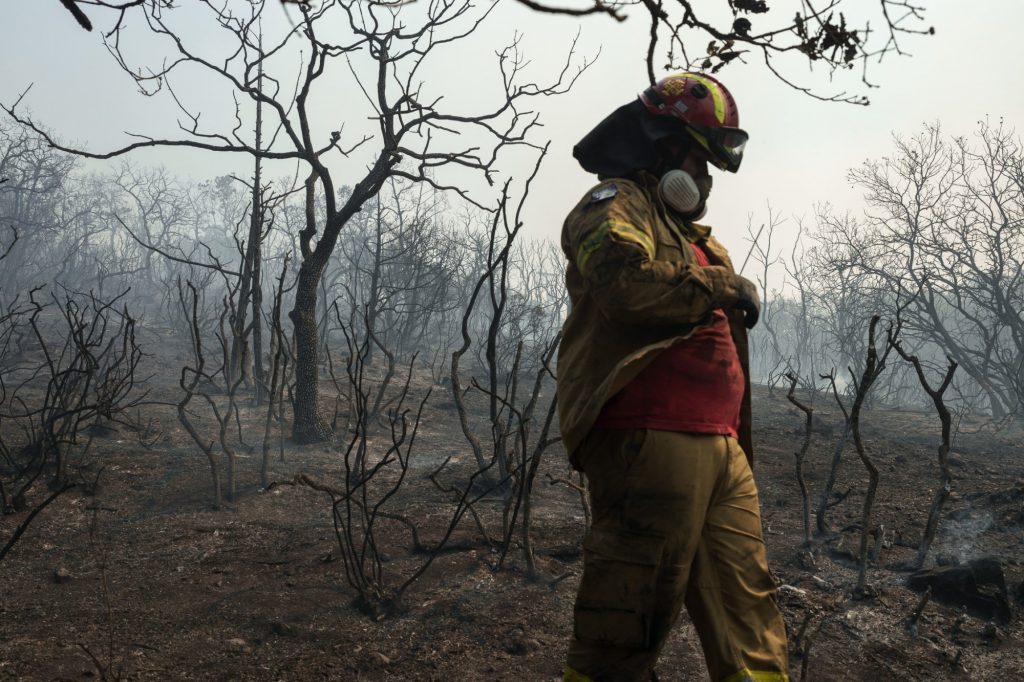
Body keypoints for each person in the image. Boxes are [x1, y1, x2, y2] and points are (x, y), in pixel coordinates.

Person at [557, 72, 790, 682]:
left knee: (751, 619)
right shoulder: (612, 205)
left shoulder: (698, 240)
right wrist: (724, 286)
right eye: (699, 160)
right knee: (625, 620)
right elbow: (624, 286)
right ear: (661, 146)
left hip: (721, 450)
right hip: (649, 436)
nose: (707, 180)